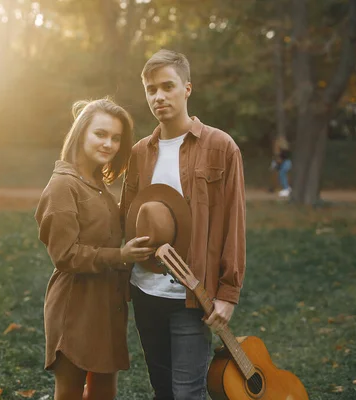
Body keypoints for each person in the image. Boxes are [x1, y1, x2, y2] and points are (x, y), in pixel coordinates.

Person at [119, 49, 247, 400]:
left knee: (188, 393)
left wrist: (228, 293)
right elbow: (127, 217)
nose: (158, 96)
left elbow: (234, 222)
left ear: (187, 88)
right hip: (145, 292)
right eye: (150, 89)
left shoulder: (221, 147)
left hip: (192, 295)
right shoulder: (139, 152)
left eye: (167, 86)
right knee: (163, 391)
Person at [35, 98, 155, 400]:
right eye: (100, 134)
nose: (109, 144)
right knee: (71, 393)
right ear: (81, 133)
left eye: (116, 138)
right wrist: (121, 256)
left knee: (103, 392)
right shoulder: (64, 185)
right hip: (76, 305)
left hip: (106, 303)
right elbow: (65, 256)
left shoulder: (97, 183)